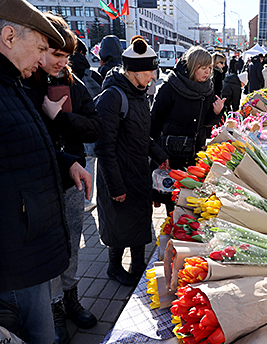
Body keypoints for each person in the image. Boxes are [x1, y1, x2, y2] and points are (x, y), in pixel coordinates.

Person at [0, 0, 92, 342]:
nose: (43, 60)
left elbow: (18, 148)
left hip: (27, 254)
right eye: (41, 48)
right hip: (9, 268)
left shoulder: (6, 80)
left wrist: (66, 161)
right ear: (10, 36)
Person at [24, 13, 102, 343]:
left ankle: (71, 299)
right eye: (56, 54)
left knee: (71, 244)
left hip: (71, 181)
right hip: (38, 185)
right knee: (47, 249)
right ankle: (53, 308)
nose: (61, 62)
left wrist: (63, 118)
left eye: (67, 56)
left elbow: (95, 126)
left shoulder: (74, 84)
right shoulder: (23, 82)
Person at [95, 35, 169, 287]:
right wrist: (115, 187)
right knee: (118, 226)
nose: (153, 77)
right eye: (150, 71)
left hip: (137, 173)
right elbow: (104, 147)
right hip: (118, 176)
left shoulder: (138, 93)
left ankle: (138, 266)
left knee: (139, 222)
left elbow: (141, 134)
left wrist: (160, 155)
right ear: (135, 70)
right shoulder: (113, 97)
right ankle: (114, 267)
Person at [150, 46, 225, 212]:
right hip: (171, 153)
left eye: (210, 68)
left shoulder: (207, 88)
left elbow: (206, 122)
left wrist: (216, 112)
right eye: (203, 68)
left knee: (189, 198)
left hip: (194, 153)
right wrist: (155, 155)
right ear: (192, 67)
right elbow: (154, 121)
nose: (207, 73)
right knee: (172, 198)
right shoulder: (171, 87)